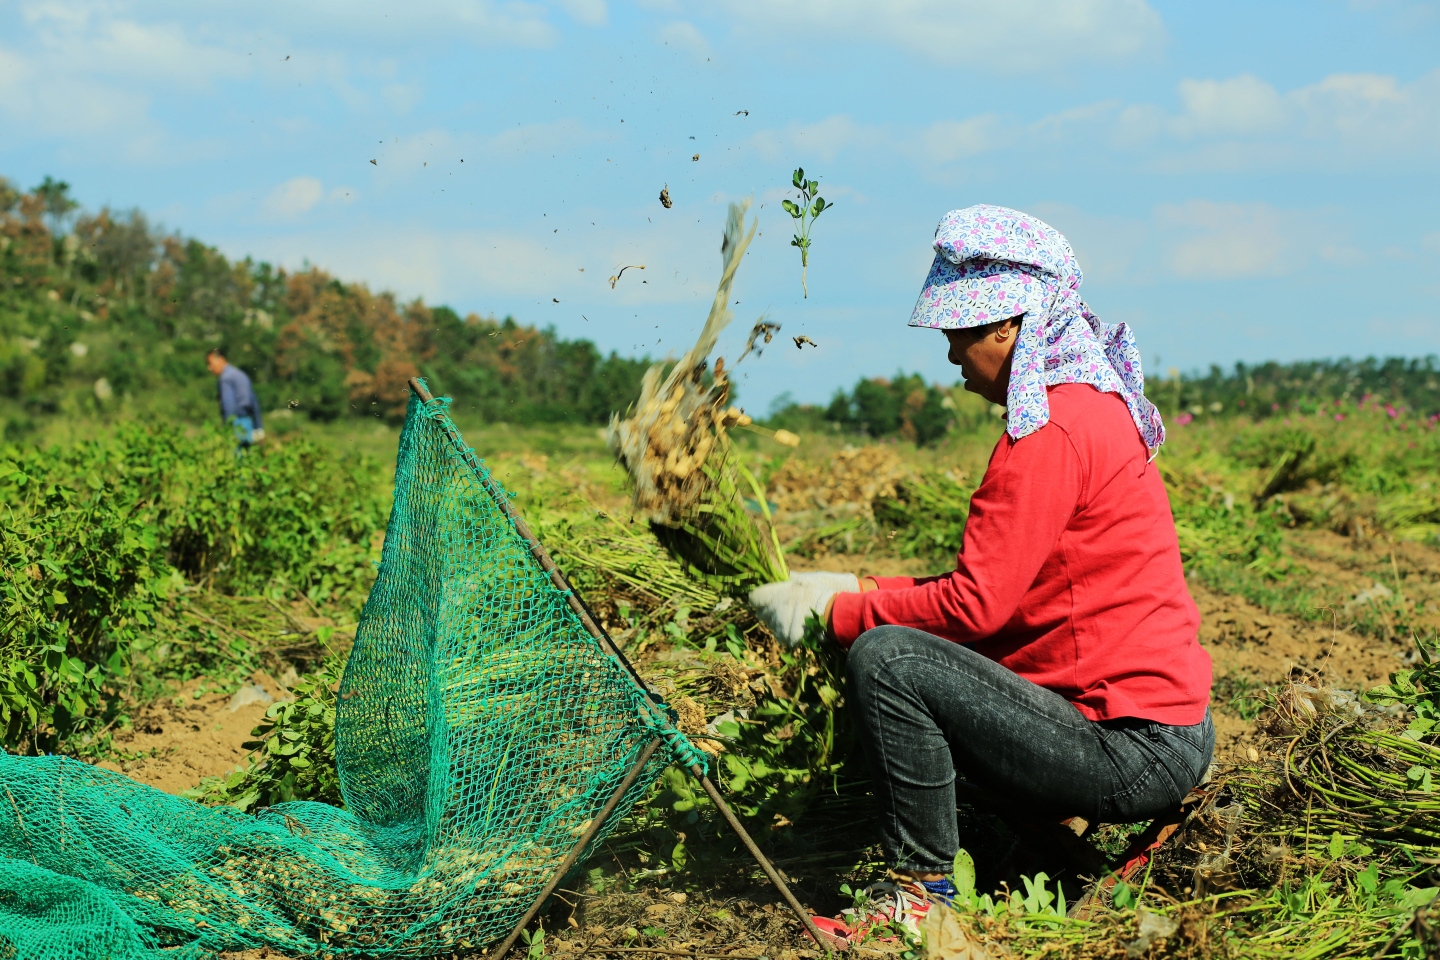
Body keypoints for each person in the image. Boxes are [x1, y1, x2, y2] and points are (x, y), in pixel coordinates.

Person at [748, 205, 1213, 942]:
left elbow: (974, 606)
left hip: (1130, 747)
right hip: (1163, 727)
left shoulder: (1049, 435)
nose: (953, 356)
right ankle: (1055, 864)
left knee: (889, 661)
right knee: (912, 653)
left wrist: (837, 614)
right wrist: (870, 592)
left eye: (961, 335)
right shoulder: (1088, 409)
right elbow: (995, 584)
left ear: (1009, 328)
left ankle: (921, 898)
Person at [206, 347, 265, 448]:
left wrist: (227, 428)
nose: (209, 368)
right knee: (246, 457)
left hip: (236, 424)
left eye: (210, 363)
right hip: (248, 422)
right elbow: (253, 401)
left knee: (235, 458)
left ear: (221, 359)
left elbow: (228, 406)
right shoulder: (240, 375)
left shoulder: (225, 378)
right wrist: (258, 426)